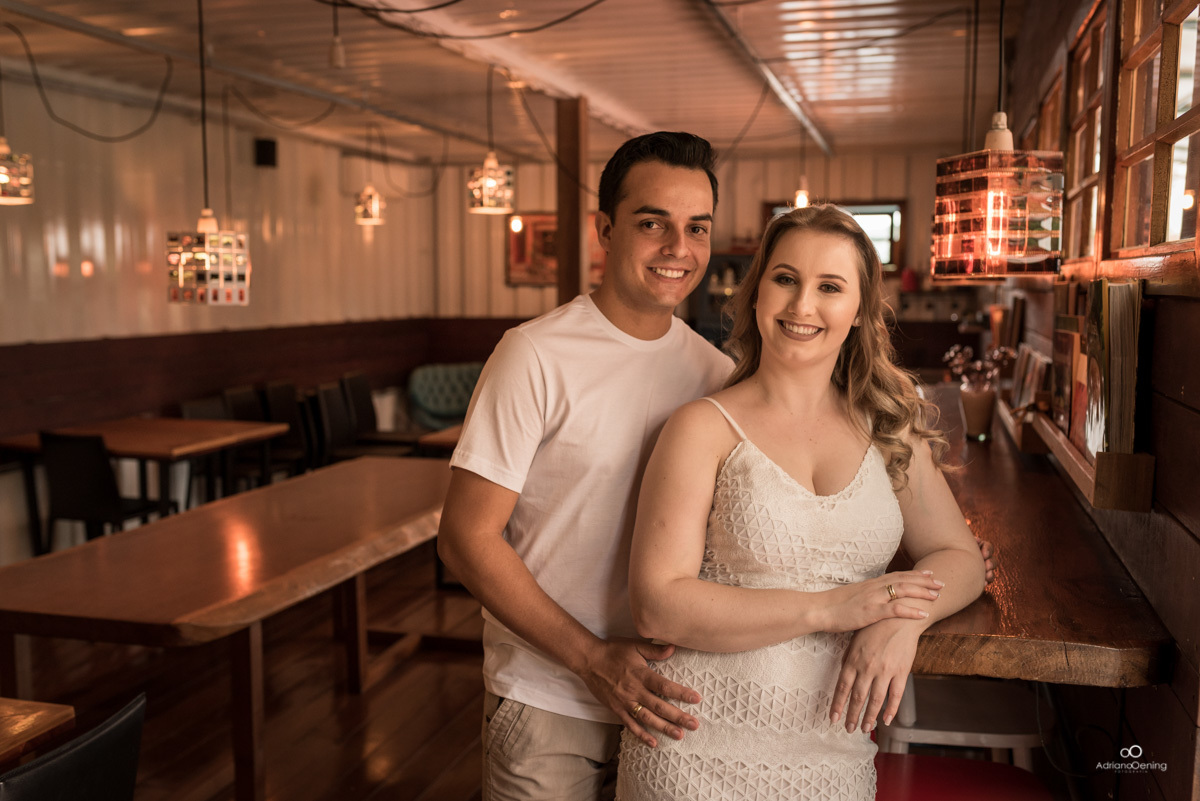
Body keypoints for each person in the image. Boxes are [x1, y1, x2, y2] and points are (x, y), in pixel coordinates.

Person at [616, 204, 988, 800]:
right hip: (692, 752)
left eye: (830, 287)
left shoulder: (889, 427)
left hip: (834, 762)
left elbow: (960, 557)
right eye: (786, 278)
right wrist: (831, 608)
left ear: (860, 311)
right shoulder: (700, 427)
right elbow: (657, 607)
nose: (802, 305)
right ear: (756, 292)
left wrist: (906, 617)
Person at [437, 131, 734, 800]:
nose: (678, 248)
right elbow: (465, 536)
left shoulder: (717, 375)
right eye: (652, 223)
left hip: (671, 703)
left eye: (697, 227)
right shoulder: (534, 355)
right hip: (548, 699)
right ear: (605, 230)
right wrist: (593, 658)